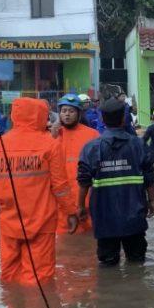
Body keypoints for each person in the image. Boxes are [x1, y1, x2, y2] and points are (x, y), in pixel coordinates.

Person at [0, 98, 78, 284]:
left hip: (8, 224)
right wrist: (71, 212)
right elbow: (60, 187)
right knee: (39, 280)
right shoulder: (50, 144)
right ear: (40, 116)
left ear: (15, 115)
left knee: (9, 276)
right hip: (42, 223)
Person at [77, 98, 154, 265]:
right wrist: (152, 200)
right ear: (123, 119)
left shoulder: (90, 148)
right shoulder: (138, 144)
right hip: (134, 215)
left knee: (107, 265)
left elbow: (84, 182)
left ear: (101, 120)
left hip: (104, 217)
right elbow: (149, 176)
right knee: (137, 264)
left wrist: (81, 207)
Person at [54, 94, 100, 235]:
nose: (67, 115)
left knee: (89, 241)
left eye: (71, 111)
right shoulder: (52, 135)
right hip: (61, 203)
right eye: (64, 111)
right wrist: (52, 136)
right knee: (64, 242)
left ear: (79, 114)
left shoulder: (92, 135)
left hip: (87, 200)